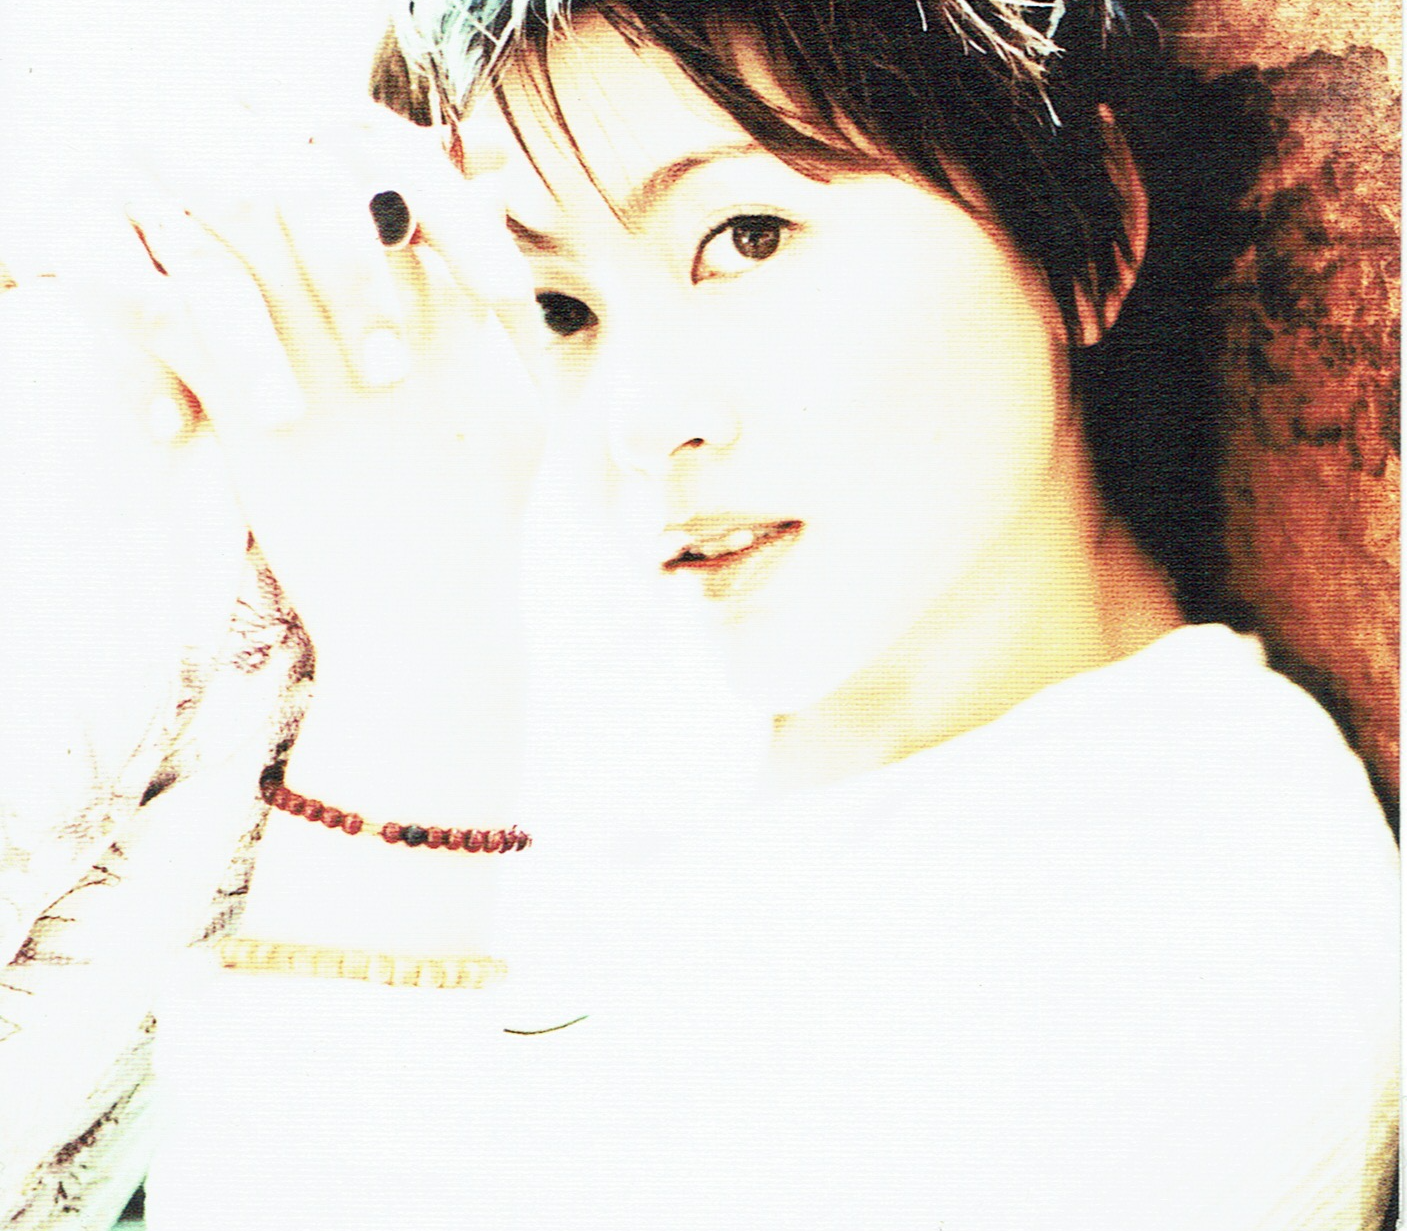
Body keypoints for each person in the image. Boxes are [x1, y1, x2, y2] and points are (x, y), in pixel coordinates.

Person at [1, 0, 1397, 1226]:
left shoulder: (1216, 916)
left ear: (1085, 229)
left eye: (747, 237)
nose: (641, 422)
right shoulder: (640, 683)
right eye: (560, 308)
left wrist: (419, 685)